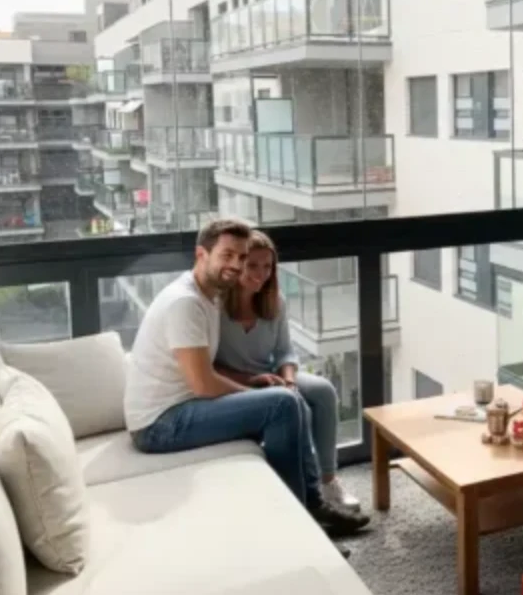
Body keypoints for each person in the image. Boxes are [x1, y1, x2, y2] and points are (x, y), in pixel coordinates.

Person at [122, 218, 368, 539]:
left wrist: (267, 387)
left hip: (181, 408)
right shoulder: (186, 302)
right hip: (159, 424)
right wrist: (253, 389)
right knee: (281, 404)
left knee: (289, 400)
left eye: (240, 257)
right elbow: (203, 384)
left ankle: (311, 505)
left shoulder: (207, 296)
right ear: (201, 254)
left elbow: (278, 354)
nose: (237, 265)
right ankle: (300, 526)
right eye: (228, 255)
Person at [215, 229, 361, 513]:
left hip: (271, 374)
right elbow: (210, 365)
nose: (261, 274)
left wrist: (289, 381)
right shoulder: (217, 306)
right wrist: (253, 381)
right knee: (298, 409)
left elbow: (285, 351)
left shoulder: (275, 301)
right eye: (252, 265)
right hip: (236, 384)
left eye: (267, 266)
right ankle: (307, 498)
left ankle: (328, 481)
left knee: (323, 391)